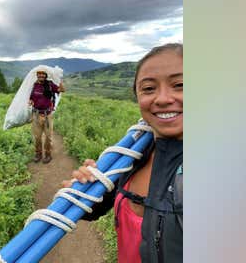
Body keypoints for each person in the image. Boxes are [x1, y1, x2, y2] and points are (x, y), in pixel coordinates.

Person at [62, 43, 183, 262]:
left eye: (180, 85)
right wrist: (90, 189)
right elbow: (100, 208)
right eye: (148, 88)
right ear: (136, 96)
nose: (163, 98)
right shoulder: (137, 150)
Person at [29, 69, 65, 164]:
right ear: (37, 75)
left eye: (42, 74)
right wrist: (31, 101)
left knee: (48, 137)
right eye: (39, 74)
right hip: (36, 114)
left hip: (47, 115)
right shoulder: (34, 85)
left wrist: (60, 82)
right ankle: (38, 154)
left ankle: (48, 154)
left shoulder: (50, 84)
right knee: (37, 137)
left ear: (45, 75)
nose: (41, 75)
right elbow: (31, 98)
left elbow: (61, 90)